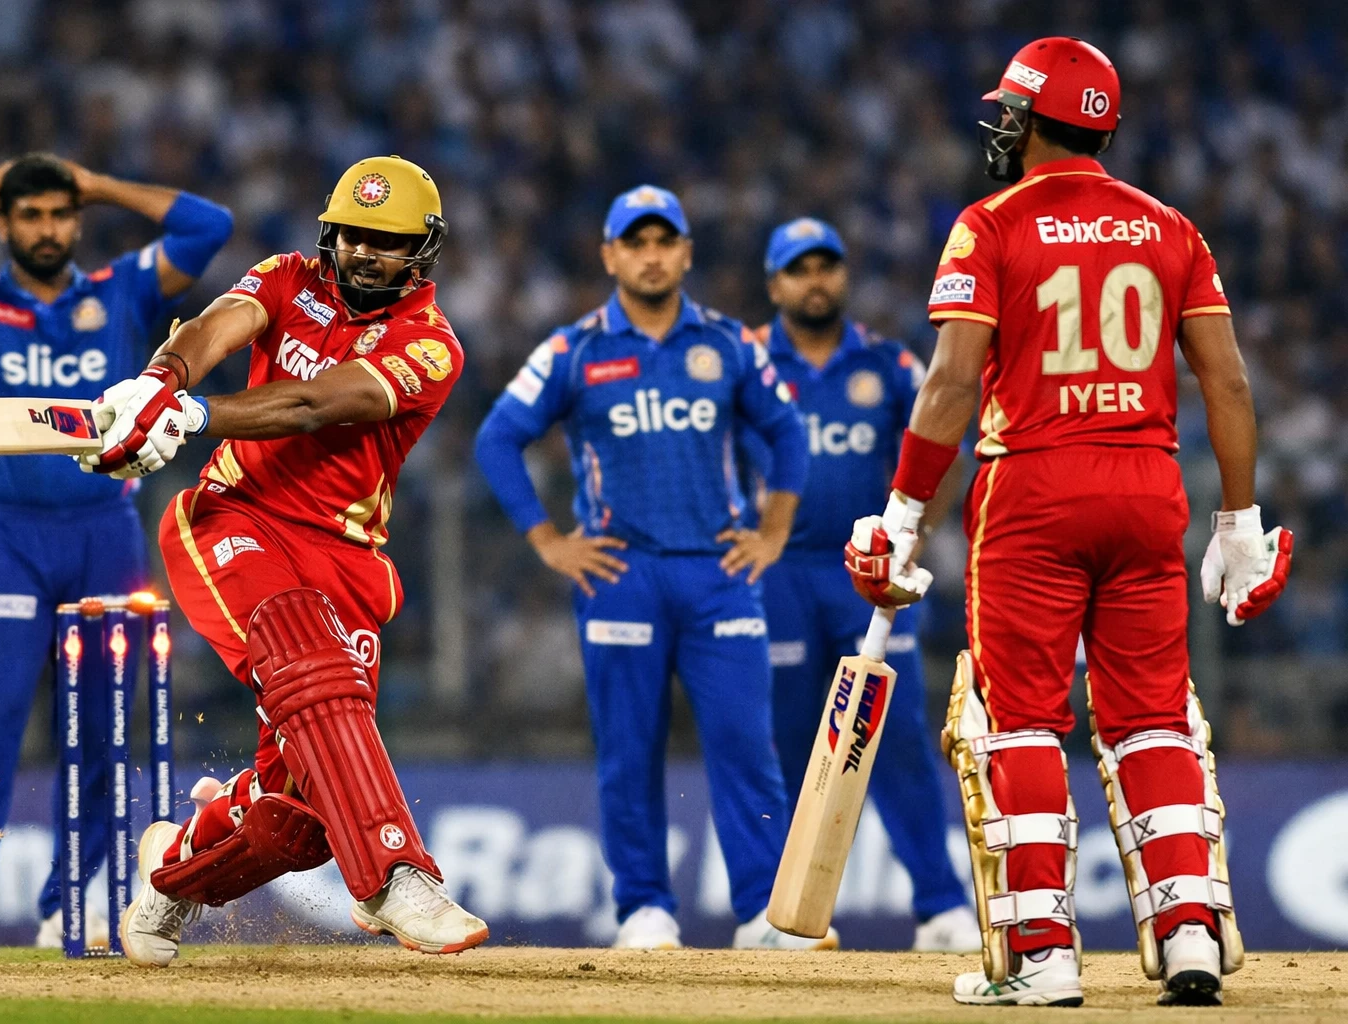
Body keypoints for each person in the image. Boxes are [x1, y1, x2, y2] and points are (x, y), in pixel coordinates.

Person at [843, 38, 1293, 1006]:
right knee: (1151, 717)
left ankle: (1042, 955)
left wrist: (902, 514)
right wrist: (1240, 520)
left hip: (1034, 490)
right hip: (1147, 488)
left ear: (1028, 119)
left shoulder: (987, 224)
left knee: (1021, 723)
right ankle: (1187, 935)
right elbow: (1228, 380)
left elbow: (952, 383)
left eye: (1009, 110)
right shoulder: (1172, 227)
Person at [76, 155, 488, 966]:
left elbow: (314, 404)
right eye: (357, 236)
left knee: (293, 822)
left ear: (423, 252)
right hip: (231, 519)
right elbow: (213, 327)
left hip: (343, 559)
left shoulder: (433, 346)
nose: (369, 255)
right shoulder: (288, 276)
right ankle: (394, 873)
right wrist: (160, 380)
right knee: (311, 659)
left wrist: (190, 412)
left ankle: (172, 873)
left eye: (391, 242)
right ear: (332, 233)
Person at [0, 154, 232, 950]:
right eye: (30, 215)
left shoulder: (122, 291)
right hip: (4, 536)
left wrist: (103, 183)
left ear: (78, 218)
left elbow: (209, 226)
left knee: (100, 727)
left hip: (105, 530)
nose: (48, 228)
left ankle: (76, 899)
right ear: (4, 222)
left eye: (62, 213)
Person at [474, 186, 831, 951]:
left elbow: (788, 432)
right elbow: (497, 438)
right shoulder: (574, 349)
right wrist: (547, 541)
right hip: (619, 574)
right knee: (628, 749)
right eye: (634, 243)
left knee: (746, 744)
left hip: (720, 574)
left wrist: (773, 532)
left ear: (686, 252)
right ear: (609, 256)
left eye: (664, 241)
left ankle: (764, 915)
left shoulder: (732, 344)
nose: (651, 254)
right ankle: (644, 909)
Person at [739, 217, 977, 953]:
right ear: (775, 284)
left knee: (896, 738)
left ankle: (941, 909)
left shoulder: (888, 361)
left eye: (827, 266)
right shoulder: (743, 359)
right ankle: (775, 915)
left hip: (865, 578)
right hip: (775, 577)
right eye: (799, 268)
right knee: (778, 739)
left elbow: (948, 447)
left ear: (842, 276)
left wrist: (916, 535)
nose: (816, 280)